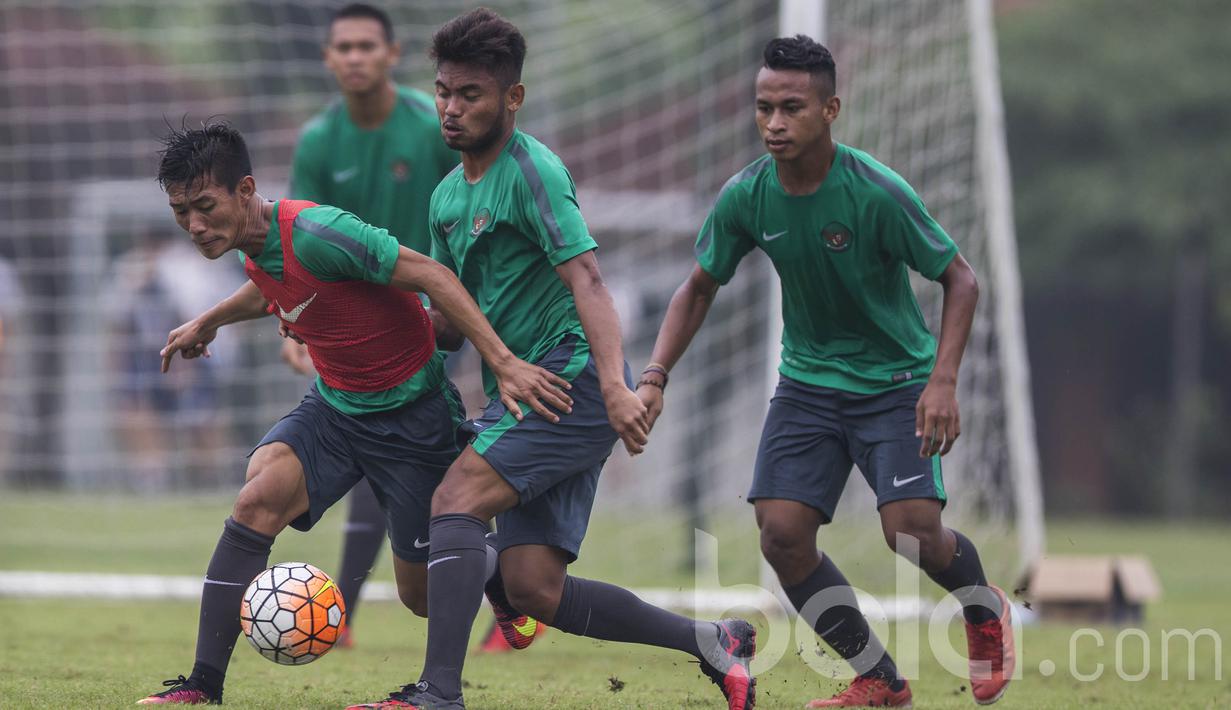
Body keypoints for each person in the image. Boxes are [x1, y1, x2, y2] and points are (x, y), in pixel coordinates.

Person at [346, 9, 756, 710]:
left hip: (568, 380)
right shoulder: (447, 197)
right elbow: (446, 324)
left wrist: (615, 386)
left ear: (512, 98)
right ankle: (714, 642)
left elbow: (588, 280)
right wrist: (362, 319)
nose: (450, 107)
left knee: (455, 499)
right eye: (443, 91)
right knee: (533, 585)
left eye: (469, 94)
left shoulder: (533, 172)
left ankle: (437, 695)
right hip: (524, 390)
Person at [636, 35, 1016, 708]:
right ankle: (877, 679)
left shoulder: (874, 192)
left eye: (791, 108)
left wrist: (943, 381)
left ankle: (983, 612)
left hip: (897, 383)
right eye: (763, 109)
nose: (774, 123)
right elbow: (697, 288)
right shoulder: (746, 196)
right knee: (781, 535)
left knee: (909, 531)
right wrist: (655, 375)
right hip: (808, 387)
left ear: (829, 110)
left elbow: (960, 280)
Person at [136, 121, 568, 705]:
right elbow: (270, 288)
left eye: (204, 206)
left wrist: (503, 361)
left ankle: (493, 577)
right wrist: (208, 320)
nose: (193, 225)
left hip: (414, 418)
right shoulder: (252, 245)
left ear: (245, 190)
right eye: (181, 211)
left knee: (419, 595)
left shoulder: (320, 232)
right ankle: (201, 685)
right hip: (338, 408)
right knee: (258, 495)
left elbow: (434, 276)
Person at [285, 2, 466, 644]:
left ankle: (344, 616)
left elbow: (469, 213)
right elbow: (299, 246)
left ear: (392, 54)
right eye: (344, 47)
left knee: (451, 462)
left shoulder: (431, 126)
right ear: (329, 58)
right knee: (400, 462)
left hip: (441, 321)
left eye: (368, 46)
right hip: (361, 332)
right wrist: (299, 330)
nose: (355, 57)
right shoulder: (318, 141)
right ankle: (347, 617)